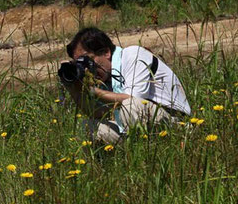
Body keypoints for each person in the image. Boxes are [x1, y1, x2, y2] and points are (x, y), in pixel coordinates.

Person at [60, 27, 191, 144]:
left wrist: (94, 91)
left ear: (106, 52)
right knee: (88, 126)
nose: (86, 67)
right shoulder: (103, 76)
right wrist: (75, 89)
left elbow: (133, 100)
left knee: (130, 106)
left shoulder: (133, 55)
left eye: (87, 60)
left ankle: (146, 156)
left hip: (173, 122)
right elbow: (97, 113)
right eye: (80, 63)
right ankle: (113, 166)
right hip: (134, 129)